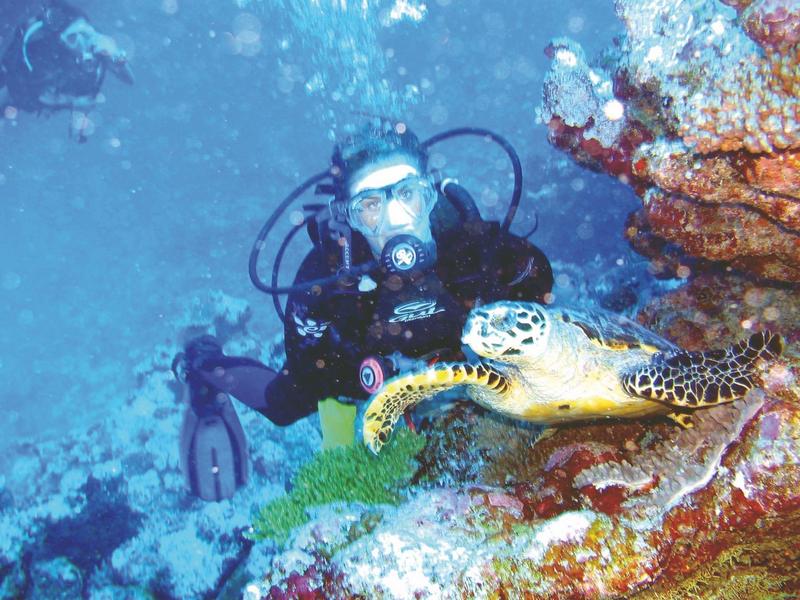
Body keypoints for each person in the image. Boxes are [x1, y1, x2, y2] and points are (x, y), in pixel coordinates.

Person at [172, 120, 554, 501]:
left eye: (407, 194)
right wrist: (373, 375)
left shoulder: (472, 245)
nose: (395, 219)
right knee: (284, 405)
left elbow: (540, 294)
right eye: (370, 205)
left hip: (465, 361)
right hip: (369, 370)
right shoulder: (329, 275)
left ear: (432, 193)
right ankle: (202, 364)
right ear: (349, 216)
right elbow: (308, 368)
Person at [0, 0, 133, 140]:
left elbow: (128, 78)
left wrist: (116, 55)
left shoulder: (96, 49)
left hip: (37, 93)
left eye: (86, 33)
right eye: (74, 37)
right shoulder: (42, 51)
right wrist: (75, 103)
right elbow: (35, 90)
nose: (84, 41)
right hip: (24, 87)